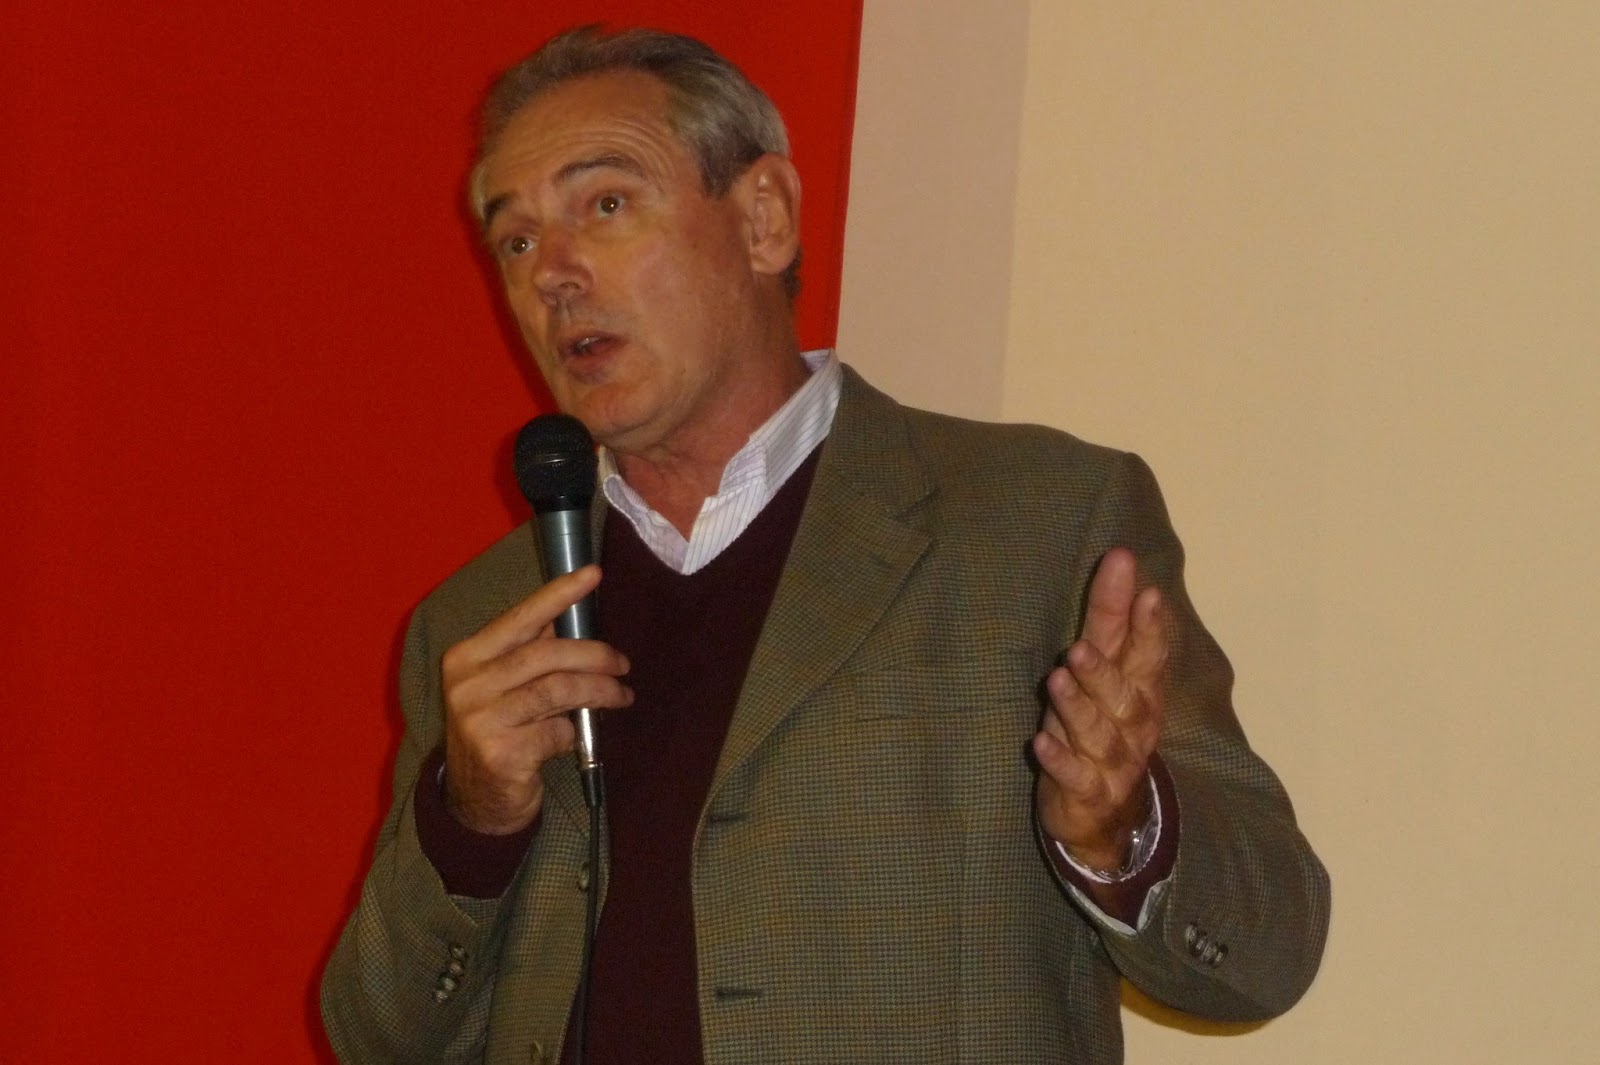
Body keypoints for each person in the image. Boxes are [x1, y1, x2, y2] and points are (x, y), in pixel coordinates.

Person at [321, 26, 1329, 1065]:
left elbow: (1265, 952)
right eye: (517, 242)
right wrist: (470, 823)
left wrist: (1125, 835)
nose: (554, 277)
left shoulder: (1035, 525)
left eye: (606, 206)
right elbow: (378, 1037)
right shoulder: (482, 623)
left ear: (764, 219)